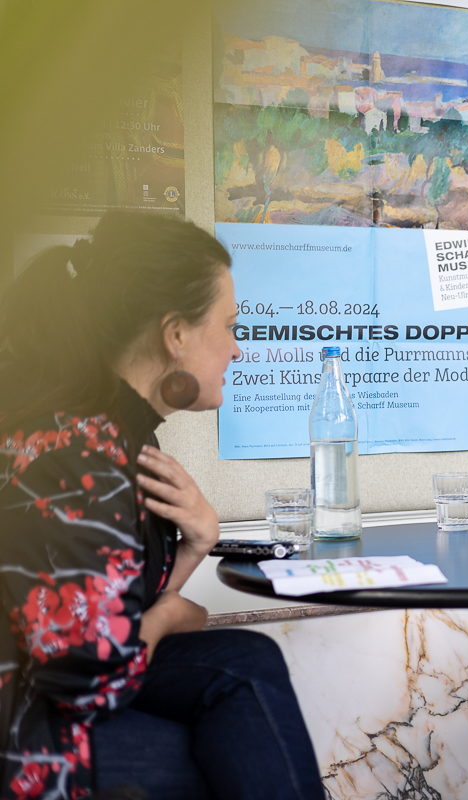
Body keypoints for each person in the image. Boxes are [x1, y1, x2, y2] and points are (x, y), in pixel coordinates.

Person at [0, 212, 324, 799]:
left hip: (54, 682)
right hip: (25, 729)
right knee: (232, 752)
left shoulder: (114, 434)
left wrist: (199, 541)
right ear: (175, 334)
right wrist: (174, 614)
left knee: (246, 666)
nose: (237, 347)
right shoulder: (78, 452)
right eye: (228, 325)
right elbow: (91, 680)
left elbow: (110, 604)